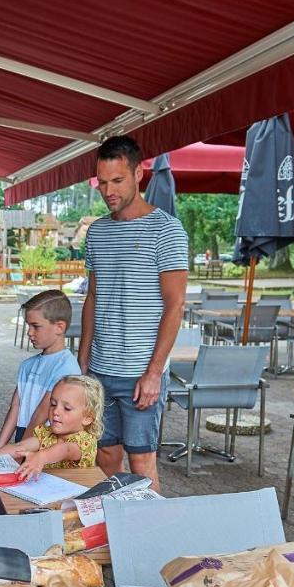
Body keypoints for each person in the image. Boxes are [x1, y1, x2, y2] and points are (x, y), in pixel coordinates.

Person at [78, 136, 188, 490]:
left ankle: (152, 543)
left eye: (117, 180)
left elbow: (175, 307)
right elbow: (93, 297)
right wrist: (82, 362)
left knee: (142, 467)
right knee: (104, 458)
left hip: (141, 372)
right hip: (100, 370)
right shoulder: (97, 232)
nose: (108, 190)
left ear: (138, 174)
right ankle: (110, 534)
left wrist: (154, 373)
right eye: (102, 182)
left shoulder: (166, 229)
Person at [0, 289, 81, 449]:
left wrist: (18, 451)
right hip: (24, 435)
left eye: (36, 326)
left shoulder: (66, 367)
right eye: (28, 326)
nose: (29, 333)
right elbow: (15, 407)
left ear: (59, 327)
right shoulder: (27, 365)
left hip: (49, 443)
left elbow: (42, 413)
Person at [0, 375, 102, 481]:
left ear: (87, 417)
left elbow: (65, 449)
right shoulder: (46, 433)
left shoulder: (85, 441)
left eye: (67, 408)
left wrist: (41, 456)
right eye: (53, 404)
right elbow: (20, 447)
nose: (56, 411)